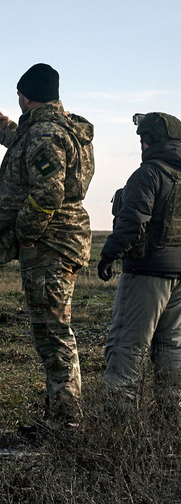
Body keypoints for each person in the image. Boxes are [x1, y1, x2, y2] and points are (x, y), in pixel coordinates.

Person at [0, 63, 94, 430]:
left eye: (18, 95)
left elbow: (48, 190)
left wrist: (23, 231)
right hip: (61, 240)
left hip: (49, 245)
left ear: (25, 95)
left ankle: (65, 421)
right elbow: (31, 153)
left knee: (52, 331)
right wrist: (5, 130)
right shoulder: (58, 128)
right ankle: (59, 412)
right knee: (50, 327)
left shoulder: (45, 133)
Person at [98, 112, 181, 410]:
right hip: (178, 277)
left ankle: (118, 422)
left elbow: (132, 223)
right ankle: (172, 415)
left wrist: (109, 255)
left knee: (127, 345)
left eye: (142, 139)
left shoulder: (149, 174)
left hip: (147, 272)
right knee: (171, 346)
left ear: (150, 140)